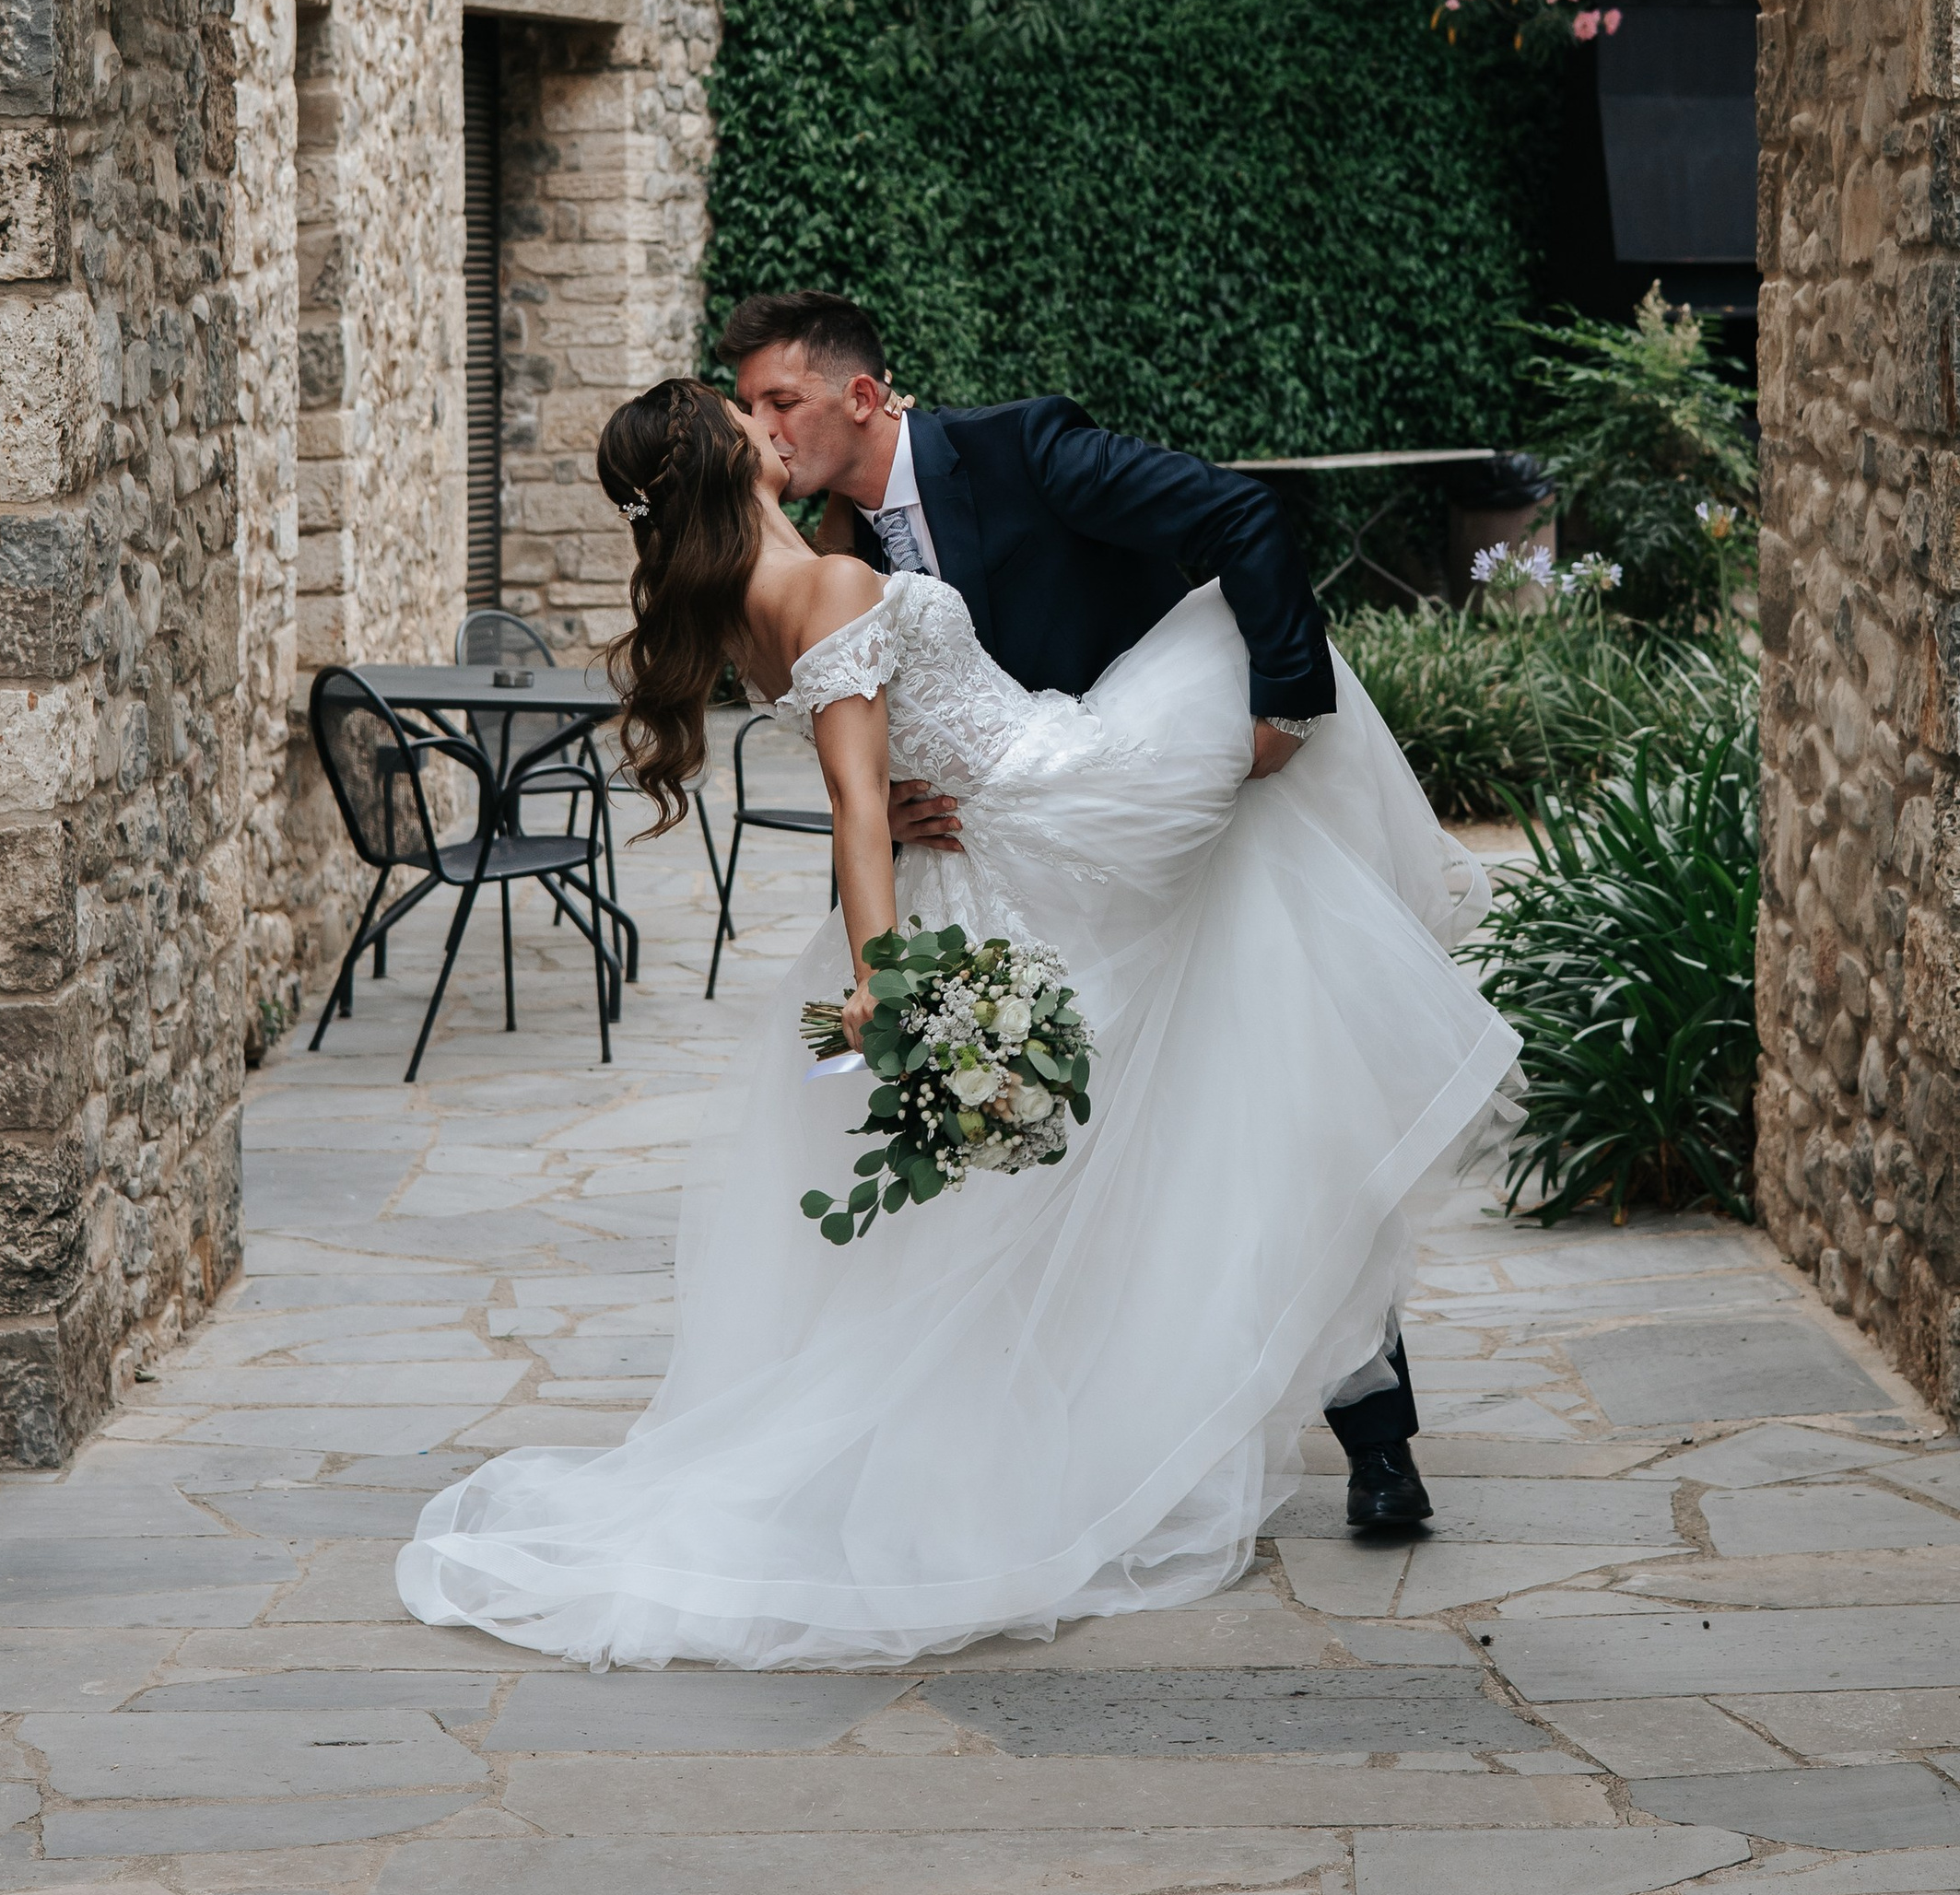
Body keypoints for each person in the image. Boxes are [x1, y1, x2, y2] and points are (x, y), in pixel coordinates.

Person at [396, 375, 1519, 1673]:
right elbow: (860, 799)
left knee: (1193, 1007)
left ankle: (1207, 1390)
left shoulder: (765, 604)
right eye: (741, 408)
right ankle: (1414, 896)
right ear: (723, 450)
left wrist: (886, 917)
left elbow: (865, 764)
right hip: (1057, 795)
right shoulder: (825, 582)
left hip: (982, 829)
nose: (769, 420)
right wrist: (881, 980)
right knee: (1240, 644)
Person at [722, 287, 1430, 1535]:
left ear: (864, 396)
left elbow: (1239, 513)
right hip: (1016, 882)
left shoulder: (1021, 448)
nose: (765, 428)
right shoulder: (822, 557)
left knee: (1279, 1111)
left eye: (781, 399)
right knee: (1085, 1158)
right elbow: (854, 743)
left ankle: (1379, 1444)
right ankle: (1110, 1443)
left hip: (1172, 821)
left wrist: (1282, 706)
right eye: (750, 409)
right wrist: (885, 817)